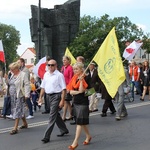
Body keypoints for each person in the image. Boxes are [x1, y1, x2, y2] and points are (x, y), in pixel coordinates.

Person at [38, 59, 69, 143]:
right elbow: (43, 87)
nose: (50, 67)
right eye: (49, 65)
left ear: (56, 66)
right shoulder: (46, 74)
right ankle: (64, 129)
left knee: (52, 116)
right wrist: (40, 97)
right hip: (48, 96)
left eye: (52, 65)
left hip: (56, 96)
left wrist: (62, 100)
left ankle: (46, 136)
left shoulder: (59, 75)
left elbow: (63, 89)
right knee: (55, 114)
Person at [67, 62, 91, 150]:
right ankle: (88, 136)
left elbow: (89, 90)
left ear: (81, 69)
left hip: (83, 102)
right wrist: (77, 92)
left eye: (76, 69)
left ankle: (75, 142)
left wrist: (81, 81)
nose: (75, 71)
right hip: (76, 102)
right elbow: (70, 91)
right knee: (81, 121)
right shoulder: (74, 78)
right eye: (74, 69)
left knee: (79, 123)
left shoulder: (86, 78)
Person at [8, 62, 31, 135]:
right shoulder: (12, 74)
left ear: (16, 68)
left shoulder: (22, 75)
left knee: (17, 110)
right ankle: (25, 123)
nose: (11, 70)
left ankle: (15, 128)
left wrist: (27, 94)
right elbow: (9, 83)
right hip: (12, 96)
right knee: (19, 109)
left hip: (19, 95)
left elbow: (27, 84)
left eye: (12, 69)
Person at [61, 56, 74, 121]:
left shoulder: (70, 68)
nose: (64, 61)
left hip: (67, 87)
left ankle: (63, 116)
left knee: (65, 101)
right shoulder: (63, 68)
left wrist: (69, 87)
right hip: (63, 86)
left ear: (69, 61)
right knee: (67, 101)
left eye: (65, 60)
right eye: (63, 60)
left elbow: (71, 78)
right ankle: (71, 115)